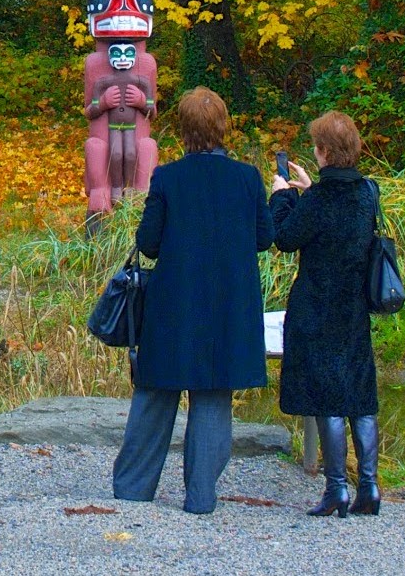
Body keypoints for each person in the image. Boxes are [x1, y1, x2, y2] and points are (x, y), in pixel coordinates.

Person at [112, 87, 274, 515]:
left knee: (156, 392)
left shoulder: (167, 177)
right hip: (227, 305)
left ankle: (133, 488)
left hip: (174, 303)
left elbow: (148, 244)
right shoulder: (246, 178)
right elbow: (264, 237)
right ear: (223, 127)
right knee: (212, 394)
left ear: (183, 130)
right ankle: (201, 497)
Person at [270, 109, 382, 517]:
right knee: (360, 395)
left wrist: (283, 194)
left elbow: (284, 238)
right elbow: (341, 219)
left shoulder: (317, 200)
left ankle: (336, 488)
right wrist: (308, 189)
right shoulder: (368, 191)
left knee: (328, 397)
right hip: (355, 306)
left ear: (322, 151)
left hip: (317, 306)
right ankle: (369, 487)